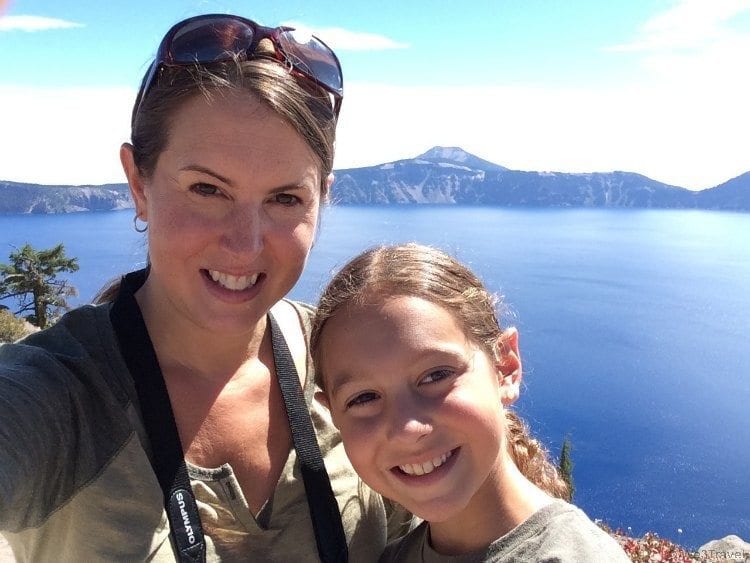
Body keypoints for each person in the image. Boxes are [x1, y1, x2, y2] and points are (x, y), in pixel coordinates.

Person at [0, 14, 394, 562]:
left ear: (322, 199)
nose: (244, 244)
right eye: (207, 189)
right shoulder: (60, 398)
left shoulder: (353, 364)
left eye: (285, 199)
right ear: (139, 182)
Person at [310, 244, 631, 562]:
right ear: (332, 412)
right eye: (364, 398)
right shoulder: (397, 556)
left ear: (505, 367)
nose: (408, 429)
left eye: (436, 375)